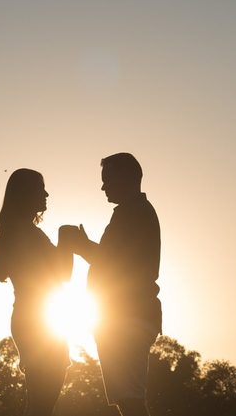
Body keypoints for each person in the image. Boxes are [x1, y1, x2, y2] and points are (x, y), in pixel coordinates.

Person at [65, 153, 161, 416]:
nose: (103, 187)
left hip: (128, 316)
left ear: (126, 178)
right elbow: (116, 259)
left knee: (130, 400)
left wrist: (82, 246)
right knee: (126, 399)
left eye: (107, 180)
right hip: (124, 316)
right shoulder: (132, 213)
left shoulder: (134, 213)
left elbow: (115, 262)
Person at [0, 169, 74, 416]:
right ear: (26, 194)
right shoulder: (25, 234)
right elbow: (61, 276)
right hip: (37, 322)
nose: (46, 193)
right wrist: (67, 241)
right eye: (41, 188)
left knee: (41, 402)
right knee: (41, 404)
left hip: (35, 319)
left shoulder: (21, 232)